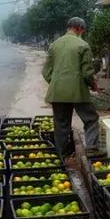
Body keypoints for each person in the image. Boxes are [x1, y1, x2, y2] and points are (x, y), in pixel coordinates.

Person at [42, 17, 101, 160]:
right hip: (78, 91)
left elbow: (46, 72)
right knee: (91, 118)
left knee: (61, 124)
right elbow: (87, 73)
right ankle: (92, 149)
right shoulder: (83, 45)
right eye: (83, 30)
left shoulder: (54, 45)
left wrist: (57, 82)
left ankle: (63, 156)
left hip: (58, 91)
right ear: (80, 28)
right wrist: (93, 84)